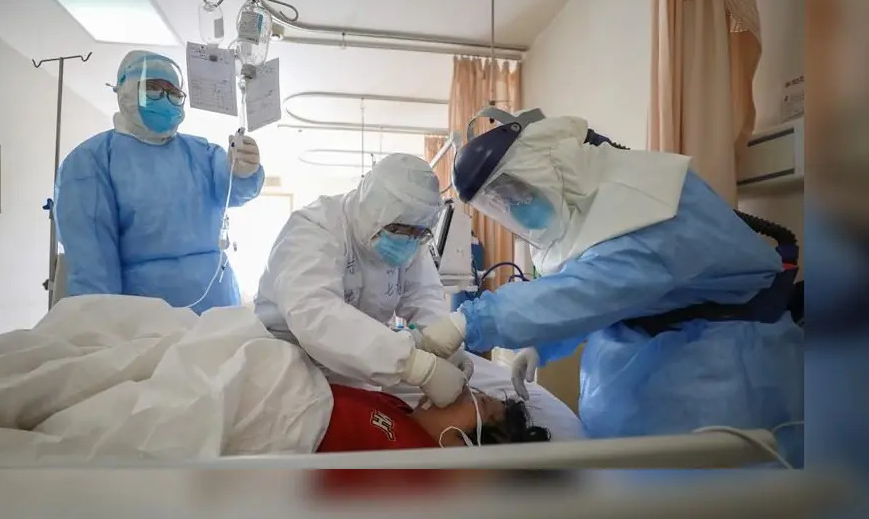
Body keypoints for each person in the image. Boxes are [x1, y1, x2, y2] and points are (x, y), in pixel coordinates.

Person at [417, 110, 804, 465]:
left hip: (722, 372)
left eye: (513, 192)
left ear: (549, 165)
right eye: (500, 202)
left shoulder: (650, 209)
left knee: (713, 490)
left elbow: (591, 288)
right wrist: (544, 344)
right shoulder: (594, 215)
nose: (515, 208)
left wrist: (467, 322)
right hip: (658, 359)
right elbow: (608, 293)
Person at [54, 50, 265, 314]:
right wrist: (104, 327)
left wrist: (245, 171)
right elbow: (92, 267)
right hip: (142, 318)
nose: (165, 99)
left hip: (217, 307)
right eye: (153, 89)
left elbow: (235, 189)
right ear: (125, 91)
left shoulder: (201, 152)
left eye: (174, 93)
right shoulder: (91, 161)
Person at [253, 153, 472, 408]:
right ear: (370, 209)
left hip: (361, 359)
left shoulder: (411, 239)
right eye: (399, 230)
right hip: (290, 361)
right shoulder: (315, 228)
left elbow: (423, 297)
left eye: (419, 233)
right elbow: (315, 313)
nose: (409, 240)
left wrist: (446, 350)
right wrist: (414, 365)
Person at [317, 384, 550, 452]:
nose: (464, 391)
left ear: (465, 444)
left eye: (480, 402)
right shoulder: (400, 408)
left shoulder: (419, 471)